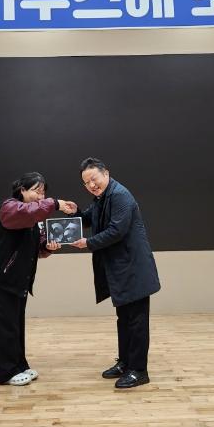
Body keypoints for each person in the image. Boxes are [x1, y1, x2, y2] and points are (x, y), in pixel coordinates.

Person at [0, 172, 77, 386]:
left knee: (15, 326)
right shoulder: (9, 207)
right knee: (4, 327)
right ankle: (6, 373)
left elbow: (38, 247)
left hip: (18, 281)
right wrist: (55, 203)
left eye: (43, 192)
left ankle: (19, 366)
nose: (40, 196)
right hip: (1, 279)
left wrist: (47, 247)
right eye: (36, 191)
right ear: (21, 190)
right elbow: (28, 212)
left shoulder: (33, 218)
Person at [73, 157, 160, 389]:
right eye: (86, 183)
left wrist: (88, 243)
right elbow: (89, 218)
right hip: (121, 269)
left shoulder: (120, 195)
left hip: (134, 268)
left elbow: (116, 231)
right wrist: (74, 213)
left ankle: (139, 371)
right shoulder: (102, 197)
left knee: (137, 321)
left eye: (94, 179)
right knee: (124, 319)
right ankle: (125, 362)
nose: (92, 185)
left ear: (106, 173)